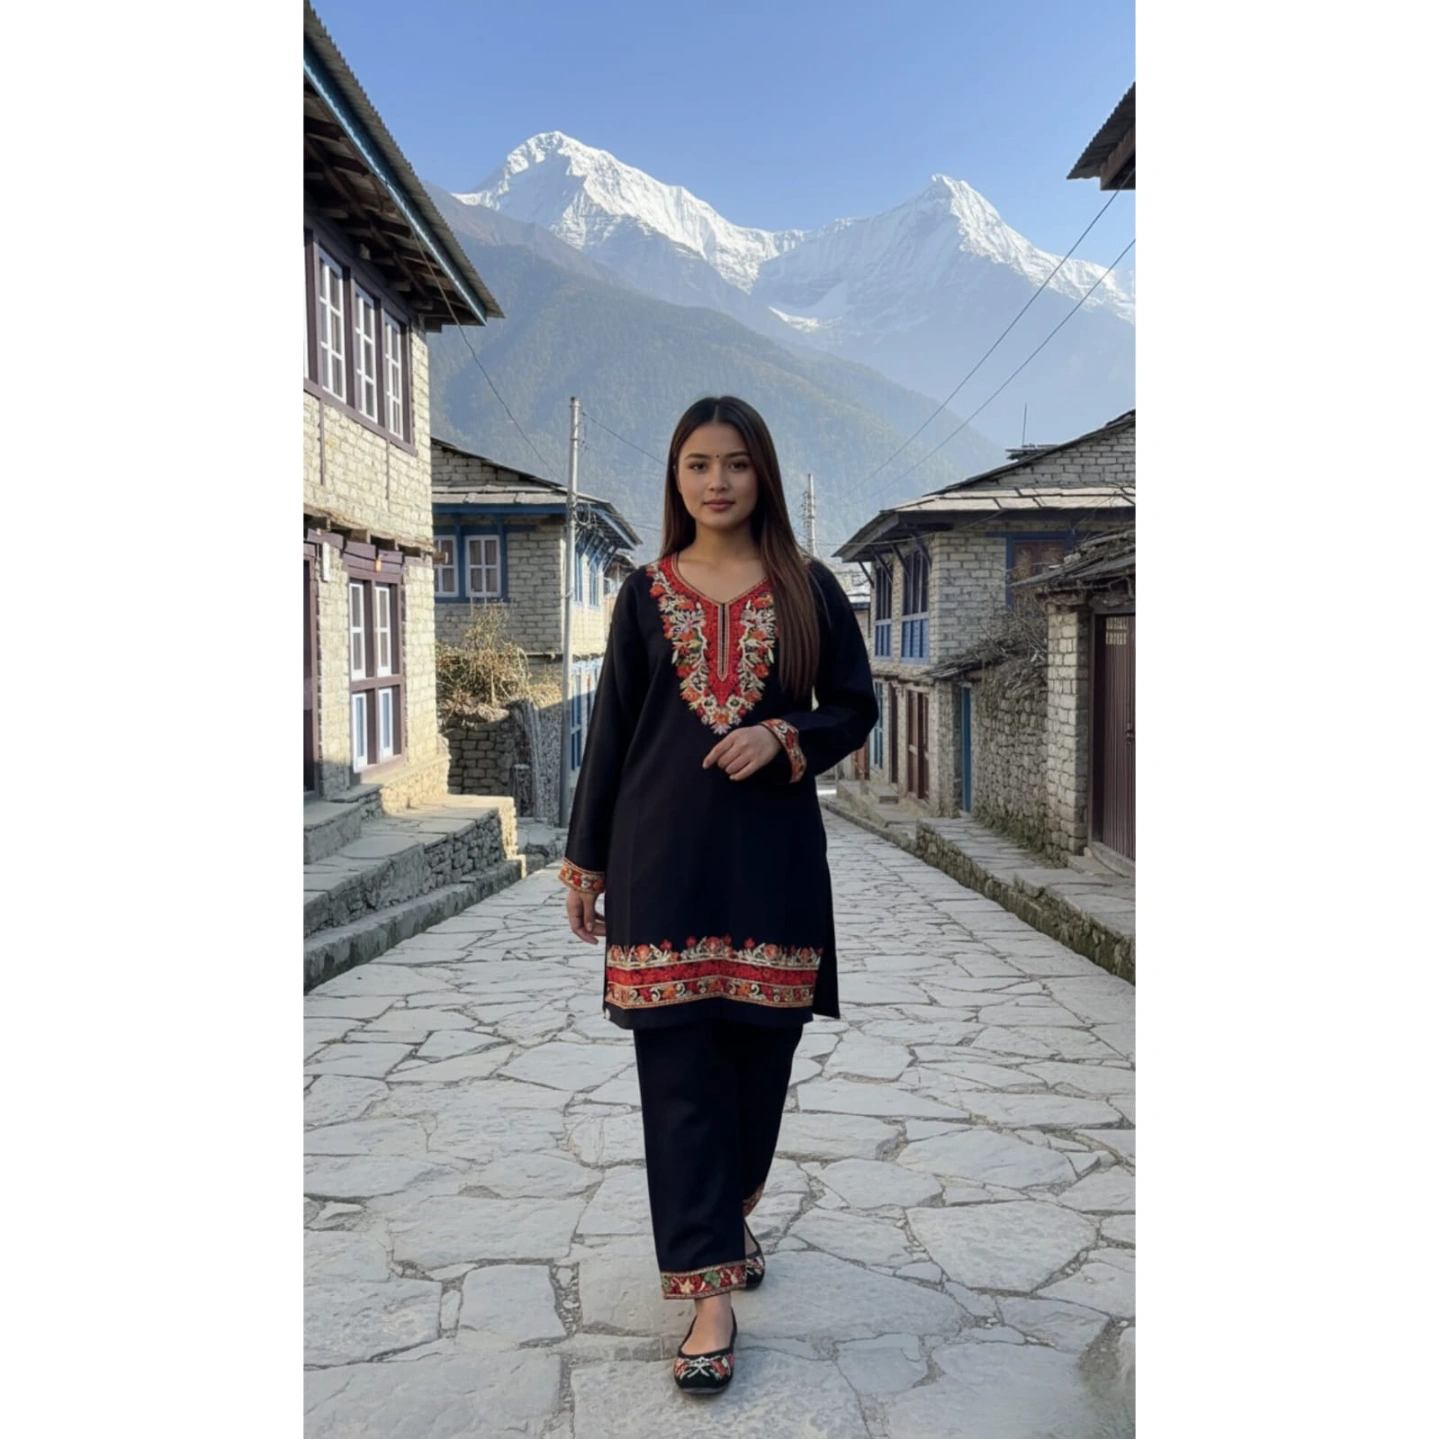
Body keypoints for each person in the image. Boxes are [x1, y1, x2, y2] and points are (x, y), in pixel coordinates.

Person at [559, 395, 879, 1395]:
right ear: (676, 476)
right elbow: (612, 734)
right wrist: (585, 862)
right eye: (698, 463)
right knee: (679, 1087)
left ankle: (729, 1215)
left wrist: (786, 736)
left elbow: (855, 707)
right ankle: (708, 1296)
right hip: (659, 867)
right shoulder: (643, 595)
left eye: (735, 463)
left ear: (762, 474)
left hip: (772, 869)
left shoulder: (808, 590)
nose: (717, 481)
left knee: (757, 1076)